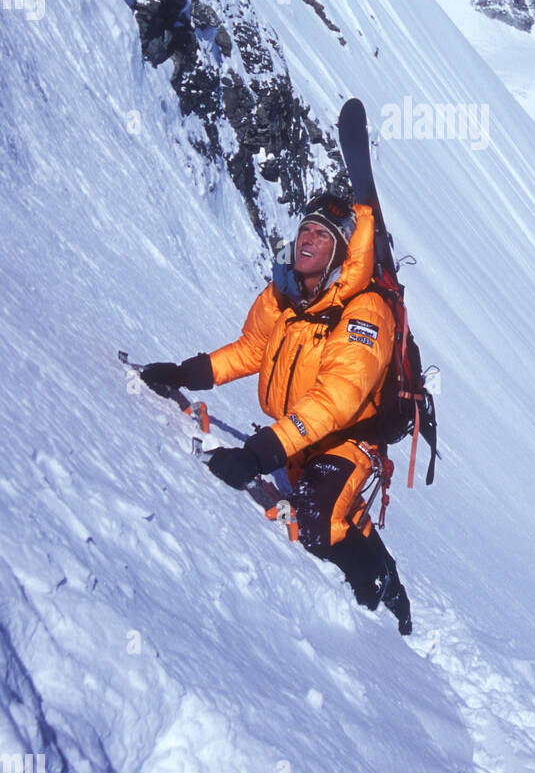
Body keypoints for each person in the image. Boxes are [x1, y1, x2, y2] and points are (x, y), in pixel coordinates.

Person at [141, 192, 413, 634]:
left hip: (348, 438)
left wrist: (257, 454)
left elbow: (335, 401)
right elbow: (250, 350)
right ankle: (385, 574)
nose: (307, 239)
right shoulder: (284, 293)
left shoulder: (365, 312)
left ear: (341, 252)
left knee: (318, 519)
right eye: (305, 228)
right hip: (302, 432)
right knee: (330, 502)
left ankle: (378, 597)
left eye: (321, 235)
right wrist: (183, 373)